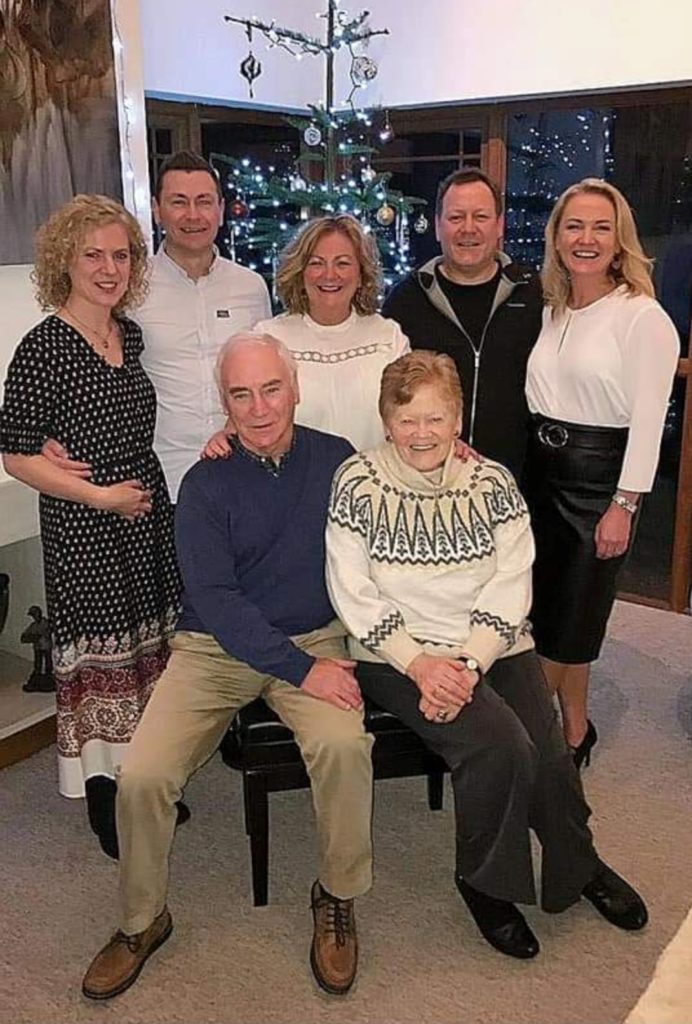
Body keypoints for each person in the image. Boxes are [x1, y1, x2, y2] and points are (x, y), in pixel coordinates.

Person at [325, 350, 647, 960]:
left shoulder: (492, 482)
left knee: (548, 751)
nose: (422, 433)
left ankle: (578, 863)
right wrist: (422, 665)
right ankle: (484, 882)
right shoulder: (357, 482)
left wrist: (470, 663)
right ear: (386, 421)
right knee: (500, 744)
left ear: (458, 420)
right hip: (395, 655)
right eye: (407, 419)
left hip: (493, 644)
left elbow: (511, 581)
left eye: (436, 418)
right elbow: (352, 591)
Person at [82, 333, 373, 1001]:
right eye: (241, 395)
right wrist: (301, 671)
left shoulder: (337, 459)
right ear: (225, 403)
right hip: (216, 645)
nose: (259, 408)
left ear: (295, 389)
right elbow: (214, 598)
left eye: (271, 389)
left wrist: (453, 452)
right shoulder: (205, 482)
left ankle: (336, 895)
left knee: (343, 746)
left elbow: (394, 498)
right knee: (143, 776)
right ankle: (142, 921)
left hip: (313, 636)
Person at [0, 195, 180, 855]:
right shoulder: (44, 346)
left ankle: (147, 781)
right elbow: (17, 454)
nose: (108, 269)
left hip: (145, 515)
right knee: (104, 661)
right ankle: (107, 800)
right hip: (87, 526)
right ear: (65, 262)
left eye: (120, 255)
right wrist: (100, 496)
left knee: (148, 651)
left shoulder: (129, 335)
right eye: (92, 255)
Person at [524, 178, 679, 766]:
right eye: (574, 226)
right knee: (560, 614)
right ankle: (575, 728)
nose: (585, 239)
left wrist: (625, 504)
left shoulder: (643, 317)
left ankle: (526, 743)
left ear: (620, 241)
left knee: (570, 617)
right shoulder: (554, 307)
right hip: (541, 476)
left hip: (598, 487)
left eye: (600, 228)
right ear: (557, 237)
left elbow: (649, 422)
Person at [42, 151, 272, 503]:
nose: (192, 215)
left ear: (221, 210)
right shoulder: (127, 287)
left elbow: (268, 376)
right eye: (178, 202)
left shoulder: (251, 287)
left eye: (204, 202)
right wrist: (45, 434)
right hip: (160, 482)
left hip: (245, 474)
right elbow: (74, 351)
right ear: (156, 209)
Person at [381, 169, 543, 480]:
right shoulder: (405, 301)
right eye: (456, 217)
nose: (468, 228)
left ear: (499, 225)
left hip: (520, 482)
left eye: (480, 217)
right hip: (427, 482)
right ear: (438, 226)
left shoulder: (534, 295)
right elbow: (390, 399)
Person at [204, 213, 409, 456]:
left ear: (361, 274)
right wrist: (224, 437)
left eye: (342, 263)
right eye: (316, 263)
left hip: (374, 477)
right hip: (291, 479)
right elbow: (246, 412)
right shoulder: (269, 337)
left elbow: (415, 413)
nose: (329, 275)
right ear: (300, 273)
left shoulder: (388, 337)